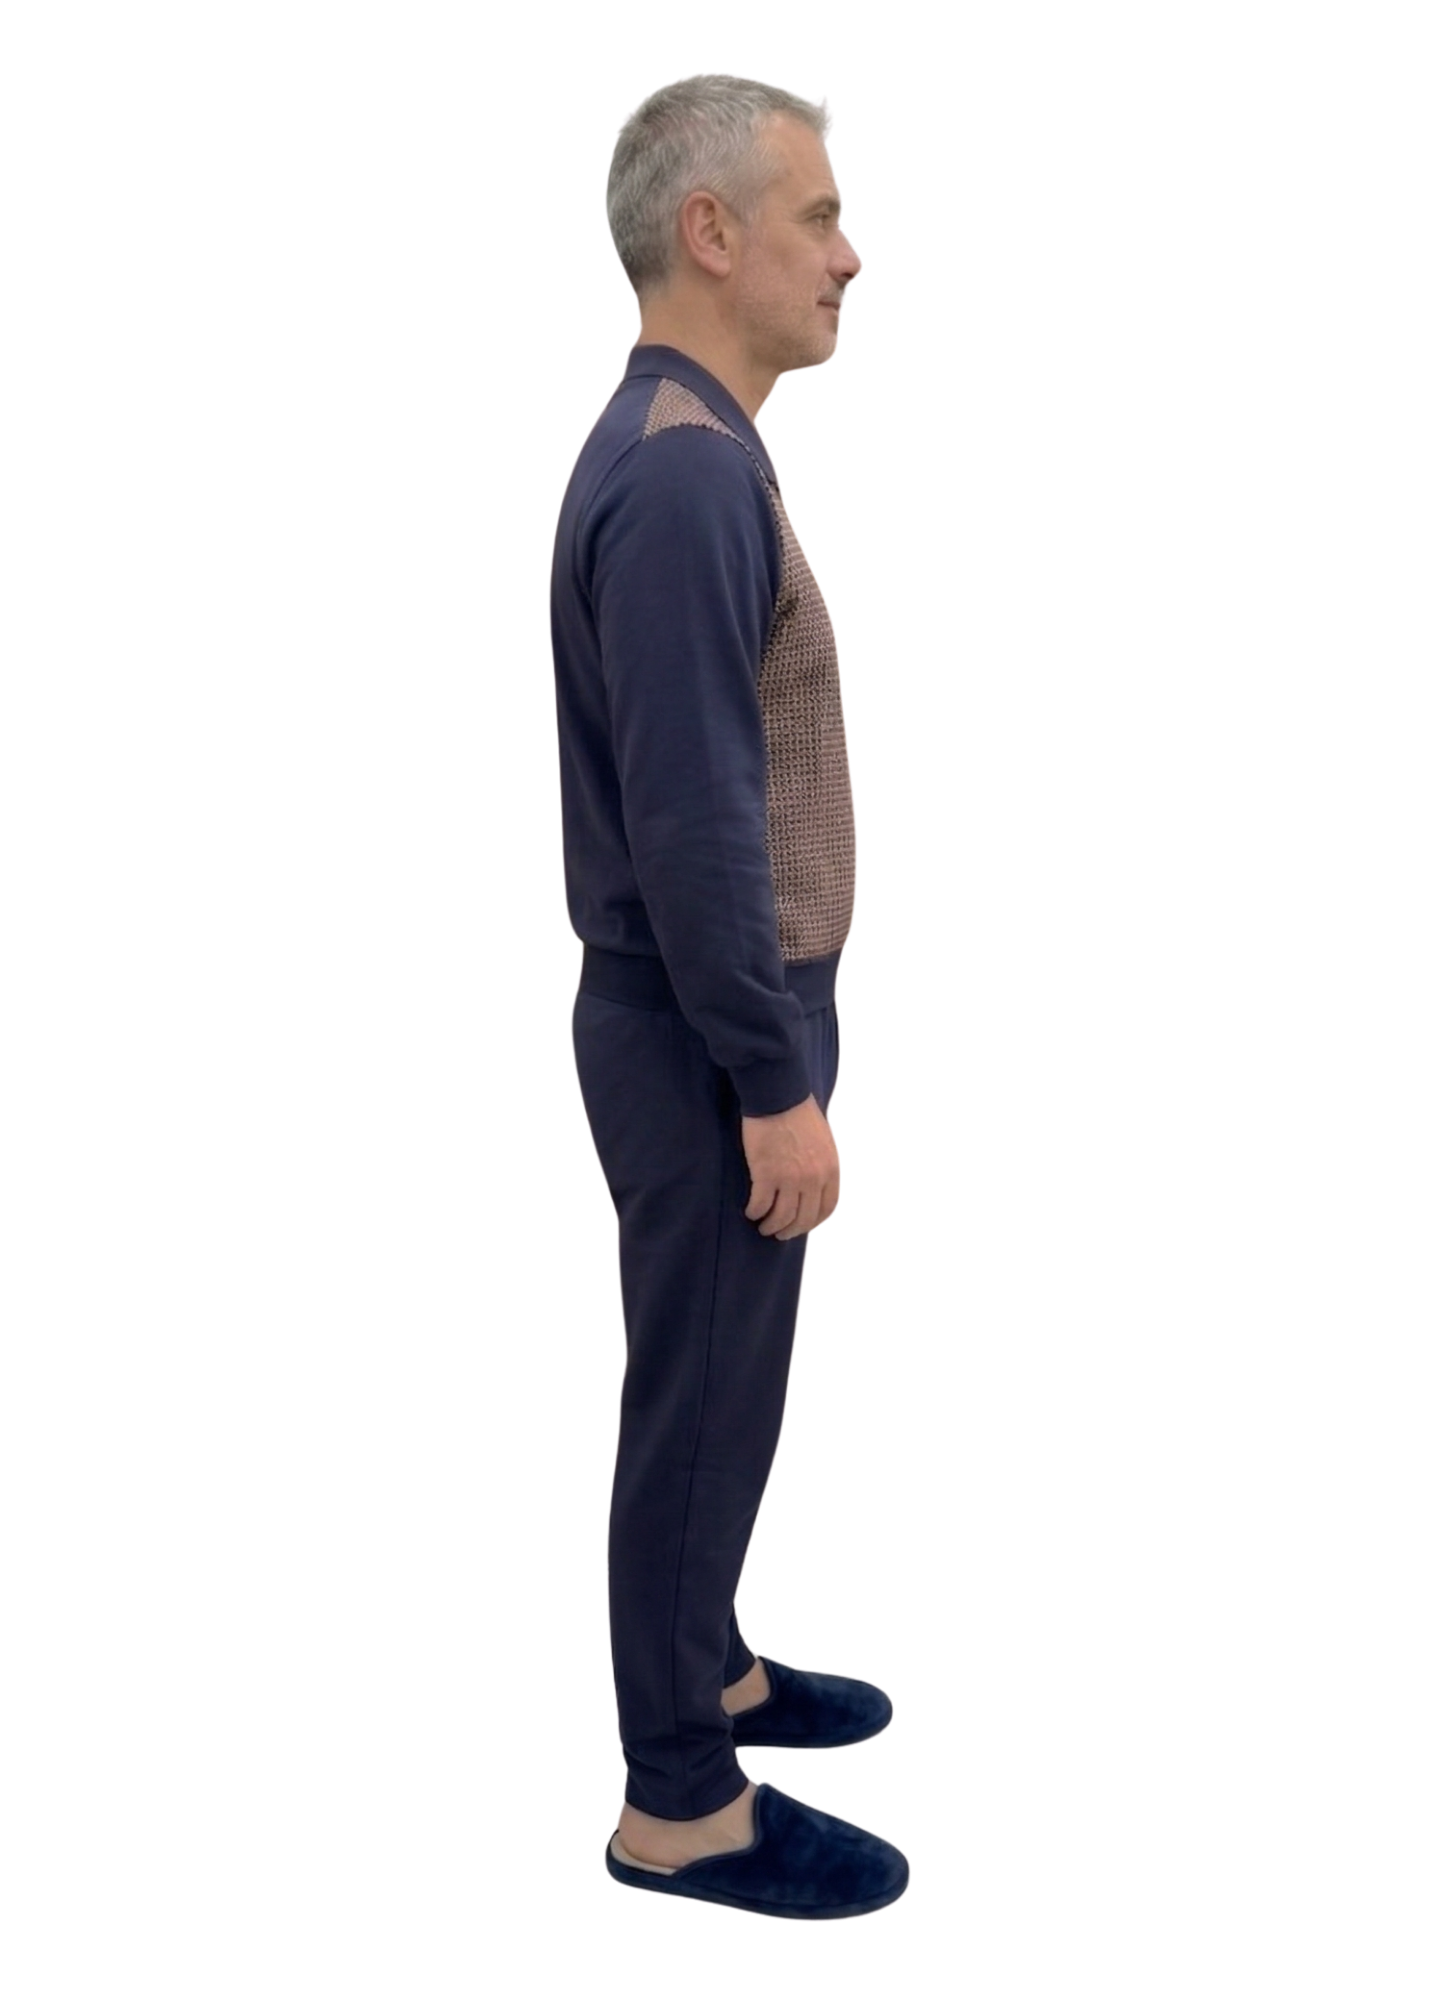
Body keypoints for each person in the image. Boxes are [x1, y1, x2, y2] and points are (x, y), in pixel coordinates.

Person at [549, 74, 908, 1921]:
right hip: (713, 1036)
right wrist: (773, 1078)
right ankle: (679, 1802)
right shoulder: (686, 473)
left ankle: (714, 1670)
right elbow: (694, 824)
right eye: (818, 216)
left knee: (725, 1400)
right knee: (697, 1412)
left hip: (714, 1021)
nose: (850, 256)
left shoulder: (687, 442)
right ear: (709, 234)